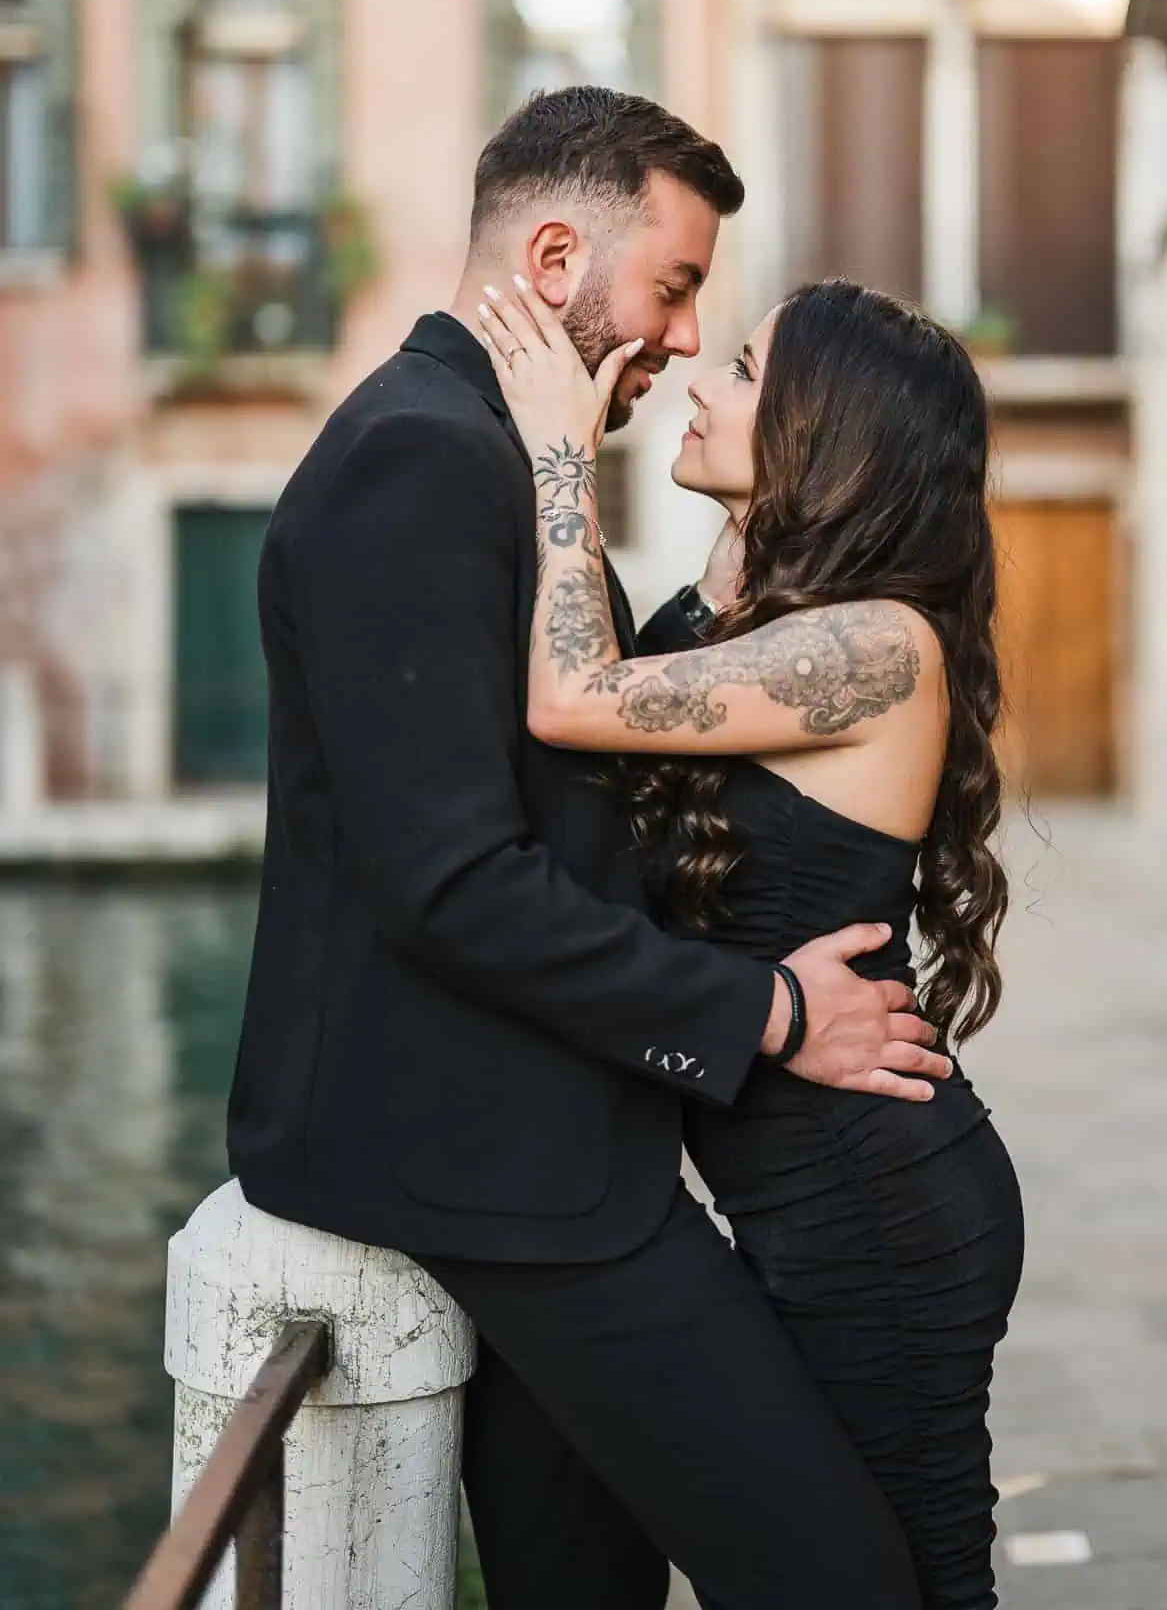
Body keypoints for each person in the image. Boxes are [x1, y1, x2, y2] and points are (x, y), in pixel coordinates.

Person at [227, 86, 957, 1610]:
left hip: (556, 1153)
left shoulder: (484, 455)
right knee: (839, 1580)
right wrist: (766, 1015)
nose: (687, 338)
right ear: (555, 259)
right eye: (677, 288)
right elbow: (451, 880)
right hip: (494, 1167)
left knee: (584, 1584)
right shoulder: (420, 462)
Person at [479, 271, 1025, 1610]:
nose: (702, 381)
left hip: (874, 1209)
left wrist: (561, 454)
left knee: (916, 1584)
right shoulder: (772, 625)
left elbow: (574, 693)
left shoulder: (877, 648)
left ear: (822, 433)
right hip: (818, 1185)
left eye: (742, 369)